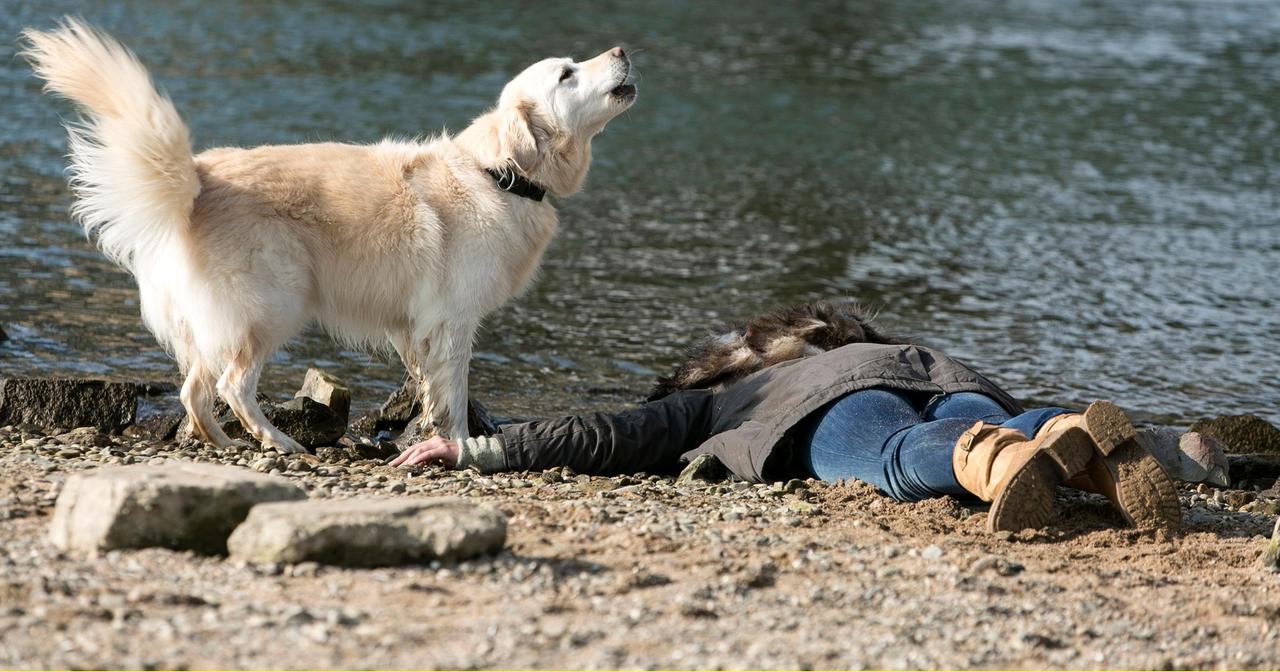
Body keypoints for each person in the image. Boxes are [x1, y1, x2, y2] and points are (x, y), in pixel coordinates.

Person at [391, 308, 1182, 534]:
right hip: (946, 376)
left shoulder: (725, 398)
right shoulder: (888, 344)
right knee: (1003, 414)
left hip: (827, 414)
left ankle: (1002, 463)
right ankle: (1078, 440)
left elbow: (609, 437)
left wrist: (479, 450)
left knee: (900, 455)